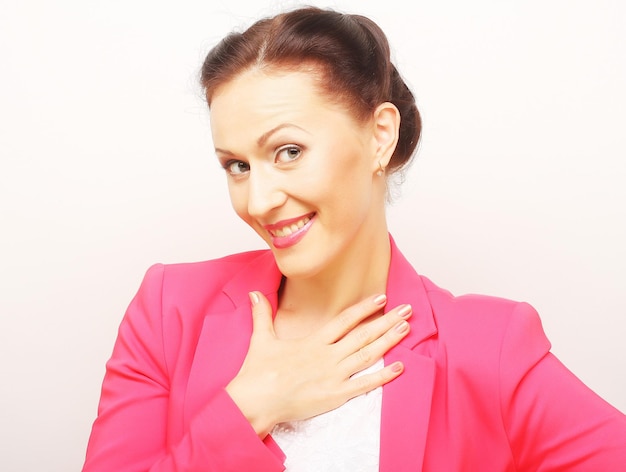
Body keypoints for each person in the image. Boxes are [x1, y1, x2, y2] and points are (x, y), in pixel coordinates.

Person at [82, 6, 626, 471]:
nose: (258, 199)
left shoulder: (490, 347)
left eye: (288, 152)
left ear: (379, 137)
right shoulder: (168, 312)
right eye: (237, 165)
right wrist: (249, 408)